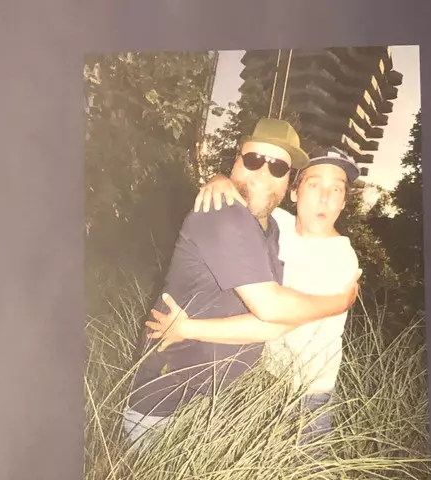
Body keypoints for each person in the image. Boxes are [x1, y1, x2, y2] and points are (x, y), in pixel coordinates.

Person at [122, 119, 361, 446]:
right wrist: (220, 180)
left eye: (277, 166)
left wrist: (188, 328)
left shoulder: (316, 247)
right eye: (252, 160)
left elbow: (274, 324)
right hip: (179, 394)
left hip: (305, 390)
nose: (324, 198)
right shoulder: (258, 220)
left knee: (302, 471)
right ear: (295, 192)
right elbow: (271, 309)